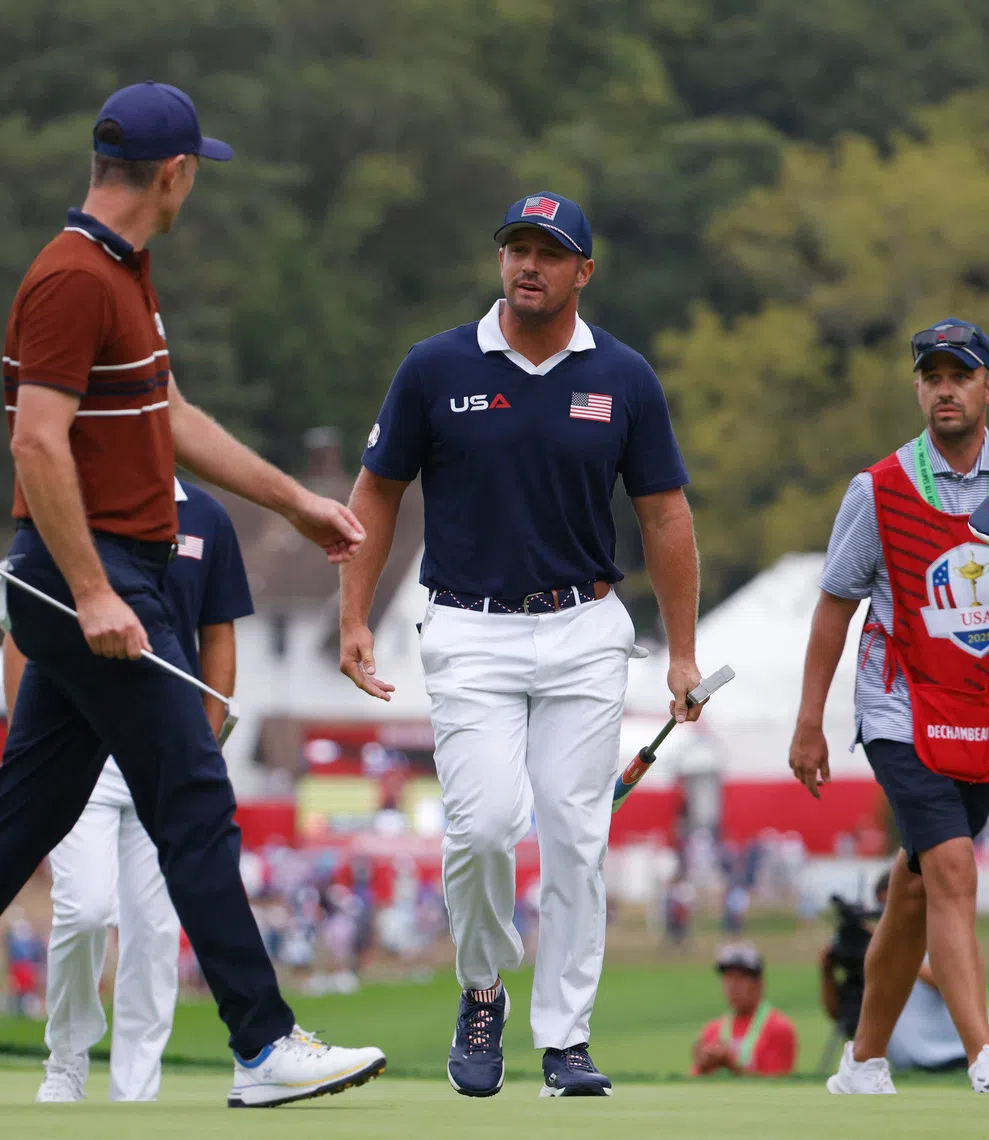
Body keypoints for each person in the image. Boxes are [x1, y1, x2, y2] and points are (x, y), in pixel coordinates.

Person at [0, 81, 384, 1109]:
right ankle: (264, 1042)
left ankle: (263, 1041)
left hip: (104, 572)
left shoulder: (120, 272)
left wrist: (296, 502)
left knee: (24, 812)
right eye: (198, 172)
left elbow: (170, 416)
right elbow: (36, 441)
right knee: (191, 795)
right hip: (88, 576)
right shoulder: (70, 280)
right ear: (174, 174)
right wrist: (98, 593)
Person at [339, 192, 700, 1098]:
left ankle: (566, 1040)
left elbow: (665, 515)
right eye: (515, 249)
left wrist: (685, 654)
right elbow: (375, 494)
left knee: (578, 840)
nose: (527, 265)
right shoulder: (434, 367)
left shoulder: (624, 377)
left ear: (584, 270)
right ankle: (483, 986)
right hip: (468, 628)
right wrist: (352, 617)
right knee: (486, 829)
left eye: (548, 252)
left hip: (584, 629)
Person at [789, 318, 989, 1095]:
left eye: (961, 375)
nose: (944, 388)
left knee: (917, 886)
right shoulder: (877, 489)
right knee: (951, 867)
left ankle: (860, 1062)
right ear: (919, 386)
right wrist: (809, 721)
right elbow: (833, 609)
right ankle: (985, 1053)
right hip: (900, 709)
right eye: (932, 375)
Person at [0, 479, 253, 1102]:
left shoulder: (209, 519)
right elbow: (20, 636)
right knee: (82, 910)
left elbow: (217, 637)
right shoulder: (71, 503)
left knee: (155, 931)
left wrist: (203, 748)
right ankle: (68, 1060)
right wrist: (26, 749)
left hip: (166, 755)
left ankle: (137, 1086)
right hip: (77, 751)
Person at [820, 872, 969, 1072]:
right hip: (909, 1065)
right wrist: (827, 972)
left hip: (953, 1056)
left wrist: (891, 947)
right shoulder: (876, 951)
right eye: (884, 911)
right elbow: (839, 1014)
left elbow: (951, 985)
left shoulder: (940, 935)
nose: (892, 918)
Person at [691, 943, 796, 1077]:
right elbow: (694, 1081)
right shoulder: (712, 1030)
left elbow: (777, 1088)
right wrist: (703, 1066)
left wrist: (730, 1064)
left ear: (758, 984)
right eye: (728, 977)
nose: (733, 986)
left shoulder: (778, 1028)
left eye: (740, 978)